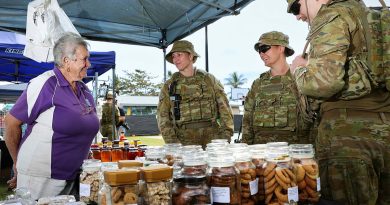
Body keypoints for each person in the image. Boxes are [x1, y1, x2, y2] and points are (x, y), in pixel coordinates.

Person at [286, 0, 390, 204]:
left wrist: (299, 69)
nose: (298, 16)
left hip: (348, 139)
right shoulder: (373, 17)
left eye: (296, 8)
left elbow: (323, 83)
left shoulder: (332, 15)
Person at [4, 32, 99, 200]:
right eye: (84, 59)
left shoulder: (84, 90)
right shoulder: (45, 84)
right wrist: (17, 163)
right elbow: (11, 123)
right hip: (41, 177)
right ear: (66, 61)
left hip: (75, 174)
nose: (89, 64)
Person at [157, 40, 234, 148]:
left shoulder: (209, 80)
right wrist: (174, 144)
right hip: (184, 144)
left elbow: (225, 110)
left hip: (213, 142)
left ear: (191, 56)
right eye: (173, 56)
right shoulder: (169, 86)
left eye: (179, 55)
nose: (176, 59)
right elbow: (163, 118)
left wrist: (224, 139)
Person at [241, 31, 314, 145]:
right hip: (261, 154)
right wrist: (246, 148)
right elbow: (247, 121)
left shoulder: (300, 78)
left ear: (281, 48)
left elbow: (315, 117)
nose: (261, 53)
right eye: (259, 51)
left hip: (295, 152)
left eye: (265, 48)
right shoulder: (258, 84)